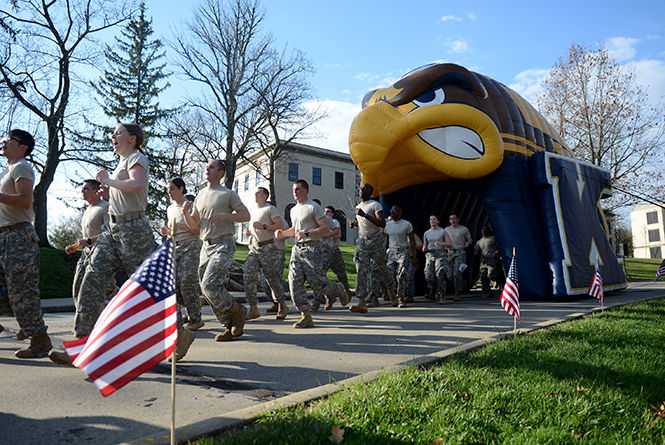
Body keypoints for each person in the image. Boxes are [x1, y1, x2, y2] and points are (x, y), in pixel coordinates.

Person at [50, 123, 198, 365]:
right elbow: (126, 191)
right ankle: (80, 345)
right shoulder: (121, 162)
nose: (113, 136)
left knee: (151, 288)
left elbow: (137, 185)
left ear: (132, 138)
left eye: (118, 133)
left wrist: (108, 180)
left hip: (134, 230)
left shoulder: (137, 157)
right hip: (112, 228)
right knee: (92, 278)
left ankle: (179, 333)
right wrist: (111, 192)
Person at [182, 159, 250, 341]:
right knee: (206, 290)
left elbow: (246, 215)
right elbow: (194, 225)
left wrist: (225, 215)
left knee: (209, 284)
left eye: (211, 167)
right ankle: (229, 325)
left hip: (224, 243)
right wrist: (185, 213)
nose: (207, 169)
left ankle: (238, 310)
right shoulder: (201, 195)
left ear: (221, 172)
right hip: (206, 245)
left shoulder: (228, 194)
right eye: (206, 167)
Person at [0, 129, 53, 358]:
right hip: (4, 235)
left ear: (22, 147)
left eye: (9, 139)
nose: (3, 142)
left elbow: (24, 201)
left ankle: (40, 340)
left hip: (18, 237)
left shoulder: (22, 166)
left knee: (22, 291)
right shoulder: (7, 170)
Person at [274, 179, 348, 328]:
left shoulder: (313, 207)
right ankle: (305, 315)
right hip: (297, 249)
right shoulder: (293, 209)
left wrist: (307, 233)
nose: (295, 192)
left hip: (313, 249)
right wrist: (281, 234)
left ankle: (337, 289)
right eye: (294, 189)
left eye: (298, 189)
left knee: (318, 284)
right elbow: (295, 230)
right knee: (293, 282)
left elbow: (326, 229)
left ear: (306, 190)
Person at [159, 178, 204, 331]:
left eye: (172, 189)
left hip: (191, 246)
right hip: (175, 247)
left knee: (186, 282)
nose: (169, 193)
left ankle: (196, 319)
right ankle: (192, 306)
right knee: (175, 285)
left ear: (181, 188)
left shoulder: (192, 205)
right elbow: (174, 231)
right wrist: (168, 232)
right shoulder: (170, 209)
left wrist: (182, 225)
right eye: (167, 190)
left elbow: (199, 230)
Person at [65, 180, 115, 312]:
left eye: (86, 189)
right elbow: (87, 236)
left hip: (101, 253)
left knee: (108, 289)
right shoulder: (88, 210)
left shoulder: (105, 207)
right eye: (82, 189)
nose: (82, 192)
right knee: (78, 286)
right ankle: (83, 322)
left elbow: (110, 233)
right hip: (86, 253)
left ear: (96, 191)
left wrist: (89, 241)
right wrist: (75, 246)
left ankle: (127, 308)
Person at [242, 187, 287, 320]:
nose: (255, 194)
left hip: (268, 247)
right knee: (248, 275)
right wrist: (248, 231)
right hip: (254, 248)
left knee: (271, 279)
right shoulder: (253, 210)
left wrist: (264, 227)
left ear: (265, 195)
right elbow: (252, 227)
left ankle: (282, 305)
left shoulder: (270, 209)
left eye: (258, 192)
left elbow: (279, 225)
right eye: (254, 192)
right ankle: (253, 308)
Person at [350, 183, 396, 312]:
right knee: (361, 270)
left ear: (370, 192)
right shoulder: (358, 206)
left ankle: (392, 293)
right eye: (360, 188)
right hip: (362, 241)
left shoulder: (375, 205)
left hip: (375, 241)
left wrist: (365, 215)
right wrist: (356, 223)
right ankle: (361, 302)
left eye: (364, 189)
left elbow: (382, 223)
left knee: (383, 267)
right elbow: (362, 223)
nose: (361, 190)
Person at [384, 205, 417, 308]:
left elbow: (412, 240)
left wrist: (413, 256)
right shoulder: (388, 225)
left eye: (395, 211)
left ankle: (401, 298)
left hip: (403, 251)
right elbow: (387, 239)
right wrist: (384, 252)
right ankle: (392, 297)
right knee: (389, 275)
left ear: (400, 213)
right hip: (391, 251)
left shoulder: (406, 224)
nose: (393, 213)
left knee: (401, 275)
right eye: (392, 211)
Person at [422, 214, 452, 304]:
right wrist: (424, 248)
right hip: (430, 254)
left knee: (440, 274)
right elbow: (425, 245)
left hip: (440, 254)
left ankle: (442, 295)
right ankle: (432, 291)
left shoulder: (443, 231)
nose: (432, 221)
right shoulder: (426, 233)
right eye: (431, 219)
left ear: (438, 221)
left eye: (434, 219)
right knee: (429, 275)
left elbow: (449, 243)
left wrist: (441, 244)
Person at [445, 213, 473, 301]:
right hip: (450, 253)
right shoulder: (446, 230)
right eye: (451, 219)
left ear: (458, 219)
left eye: (454, 218)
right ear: (449, 221)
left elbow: (470, 239)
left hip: (460, 252)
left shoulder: (464, 229)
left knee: (457, 273)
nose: (452, 220)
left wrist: (468, 243)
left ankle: (457, 293)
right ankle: (461, 283)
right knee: (449, 275)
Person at [475, 225, 500, 298]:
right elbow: (476, 251)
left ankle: (500, 281)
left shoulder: (493, 239)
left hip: (492, 259)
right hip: (484, 261)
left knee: (491, 275)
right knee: (483, 277)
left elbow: (499, 246)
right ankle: (487, 292)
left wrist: (497, 252)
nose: (484, 231)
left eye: (485, 229)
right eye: (482, 229)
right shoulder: (479, 241)